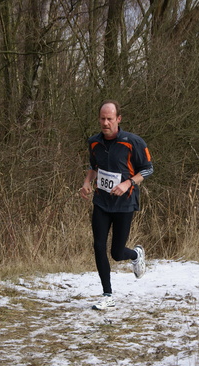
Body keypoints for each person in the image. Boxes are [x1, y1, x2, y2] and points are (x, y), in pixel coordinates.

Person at [79, 100, 154, 310]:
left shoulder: (133, 142)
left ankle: (136, 254)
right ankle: (107, 294)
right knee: (98, 246)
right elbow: (94, 166)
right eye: (102, 119)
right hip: (102, 202)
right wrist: (87, 183)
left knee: (117, 253)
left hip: (124, 203)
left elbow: (148, 169)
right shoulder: (94, 142)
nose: (105, 123)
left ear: (118, 119)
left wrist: (128, 182)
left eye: (109, 119)